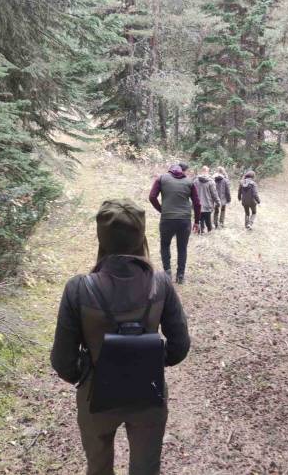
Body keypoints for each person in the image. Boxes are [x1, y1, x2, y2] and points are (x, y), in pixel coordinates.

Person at [51, 199, 190, 475]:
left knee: (99, 467)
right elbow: (180, 346)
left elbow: (62, 360)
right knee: (146, 468)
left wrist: (88, 371)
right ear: (141, 236)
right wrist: (147, 359)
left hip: (95, 396)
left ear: (101, 238)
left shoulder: (79, 288)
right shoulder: (160, 282)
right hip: (148, 394)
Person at [149, 163, 201, 284]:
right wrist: (197, 221)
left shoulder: (161, 179)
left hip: (167, 219)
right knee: (182, 248)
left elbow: (152, 197)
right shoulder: (189, 182)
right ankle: (180, 276)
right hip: (184, 220)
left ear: (170, 171)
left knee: (165, 245)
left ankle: (167, 273)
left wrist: (161, 209)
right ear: (182, 171)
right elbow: (197, 203)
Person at [194, 166, 220, 234]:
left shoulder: (195, 181)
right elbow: (214, 193)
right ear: (207, 171)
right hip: (208, 203)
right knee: (208, 219)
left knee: (200, 218)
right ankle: (209, 231)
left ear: (201, 171)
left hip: (198, 204)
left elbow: (192, 193)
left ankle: (201, 231)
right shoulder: (211, 182)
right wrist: (218, 202)